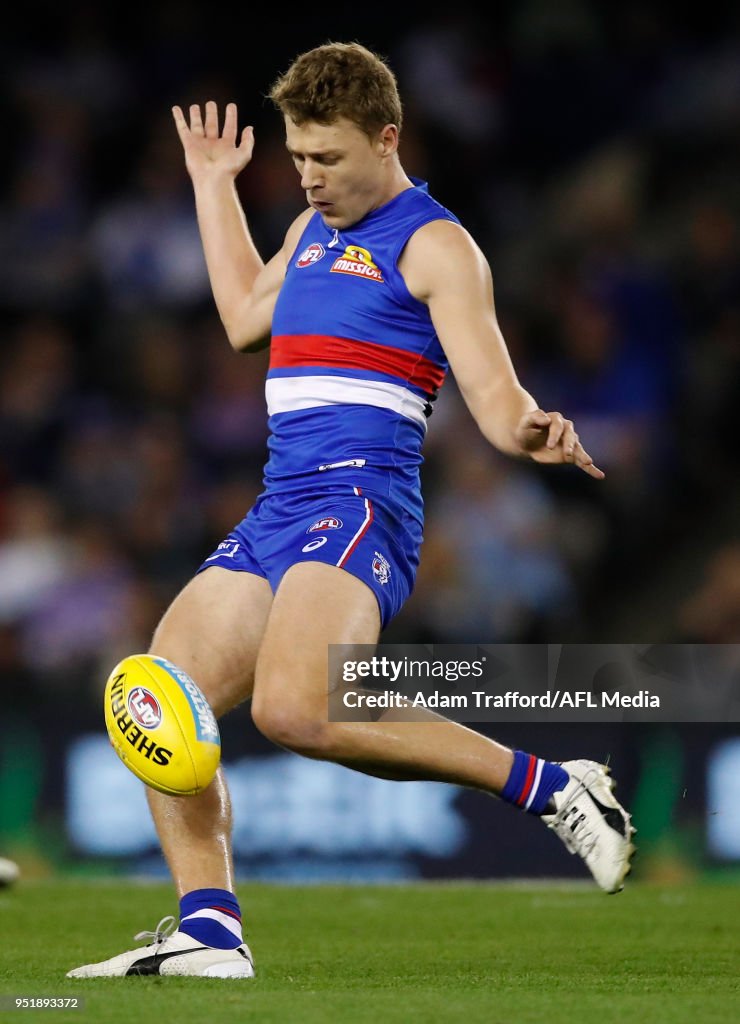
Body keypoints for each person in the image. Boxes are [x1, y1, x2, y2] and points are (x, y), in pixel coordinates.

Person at [68, 42, 634, 980]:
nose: (311, 178)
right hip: (281, 505)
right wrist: (214, 183)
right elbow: (247, 319)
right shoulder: (305, 232)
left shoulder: (435, 244)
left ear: (387, 137)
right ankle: (209, 927)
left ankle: (556, 789)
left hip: (364, 501)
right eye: (298, 160)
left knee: (298, 709)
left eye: (328, 159)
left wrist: (532, 428)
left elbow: (495, 400)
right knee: (158, 696)